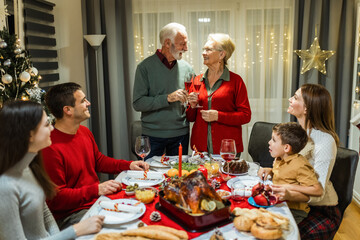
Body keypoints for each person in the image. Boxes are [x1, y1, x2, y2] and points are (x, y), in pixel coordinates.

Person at [42, 82, 149, 230]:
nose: (88, 103)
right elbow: (57, 199)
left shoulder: (84, 132)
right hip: (73, 214)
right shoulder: (50, 147)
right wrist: (96, 190)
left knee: (142, 210)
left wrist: (128, 165)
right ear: (68, 110)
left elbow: (98, 161)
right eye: (83, 101)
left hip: (97, 200)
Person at [0, 101, 104, 240]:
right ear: (29, 134)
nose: (52, 129)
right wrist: (75, 230)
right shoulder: (5, 186)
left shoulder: (30, 166)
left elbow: (46, 215)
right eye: (46, 124)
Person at [272, 84, 341, 239]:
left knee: (280, 236)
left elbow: (319, 192)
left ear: (307, 109)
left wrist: (286, 190)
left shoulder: (325, 141)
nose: (290, 99)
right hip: (295, 203)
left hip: (321, 210)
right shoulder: (298, 132)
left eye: (295, 98)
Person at [133, 22, 195, 159]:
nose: (186, 48)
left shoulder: (188, 69)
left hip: (180, 135)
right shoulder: (144, 67)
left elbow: (191, 105)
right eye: (182, 44)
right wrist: (167, 98)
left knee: (179, 177)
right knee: (150, 177)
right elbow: (138, 103)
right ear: (167, 43)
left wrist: (193, 102)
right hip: (152, 136)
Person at [186, 33, 251, 155]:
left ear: (222, 54)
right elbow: (190, 118)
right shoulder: (197, 80)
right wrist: (192, 105)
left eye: (208, 49)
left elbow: (245, 115)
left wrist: (218, 116)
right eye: (204, 49)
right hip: (199, 149)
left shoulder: (236, 81)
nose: (204, 53)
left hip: (227, 149)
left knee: (226, 175)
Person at [258, 122, 323, 224]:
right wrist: (270, 171)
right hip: (279, 203)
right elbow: (284, 175)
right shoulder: (279, 158)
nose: (269, 142)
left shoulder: (300, 165)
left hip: (295, 211)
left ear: (286, 148)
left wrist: (289, 187)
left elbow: (317, 190)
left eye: (274, 140)